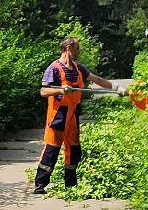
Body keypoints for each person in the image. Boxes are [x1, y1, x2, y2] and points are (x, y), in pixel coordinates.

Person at [34, 36, 113, 195]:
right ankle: (40, 184)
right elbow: (43, 91)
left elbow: (97, 79)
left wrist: (117, 88)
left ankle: (70, 184)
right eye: (77, 48)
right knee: (52, 149)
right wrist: (61, 89)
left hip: (73, 114)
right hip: (58, 115)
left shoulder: (79, 69)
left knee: (74, 149)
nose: (79, 51)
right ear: (69, 48)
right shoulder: (54, 68)